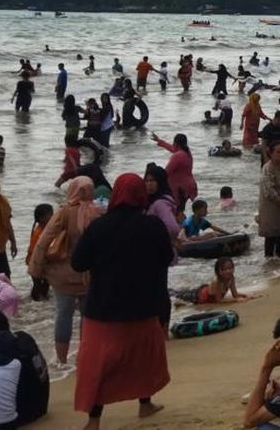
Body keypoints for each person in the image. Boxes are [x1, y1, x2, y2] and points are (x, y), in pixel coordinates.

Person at [71, 173, 174, 430]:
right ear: (141, 195)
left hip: (103, 309)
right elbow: (166, 259)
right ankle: (145, 404)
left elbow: (78, 262)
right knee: (144, 359)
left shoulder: (99, 227)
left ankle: (94, 421)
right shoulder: (152, 226)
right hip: (144, 305)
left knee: (98, 367)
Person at [27, 177, 102, 364]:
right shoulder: (98, 212)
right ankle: (85, 357)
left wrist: (36, 271)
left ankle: (61, 361)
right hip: (89, 275)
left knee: (63, 315)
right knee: (87, 316)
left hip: (63, 274)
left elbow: (44, 241)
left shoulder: (64, 212)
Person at [258, 141, 280, 259]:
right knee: (270, 237)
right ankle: (269, 265)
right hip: (270, 205)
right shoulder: (267, 168)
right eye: (278, 152)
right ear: (271, 153)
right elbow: (269, 191)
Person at [143, 165, 183, 257]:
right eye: (147, 181)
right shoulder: (155, 201)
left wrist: (156, 239)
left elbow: (173, 228)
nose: (149, 184)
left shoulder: (160, 203)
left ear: (160, 182)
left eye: (153, 181)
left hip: (158, 253)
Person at [150, 132, 196, 207]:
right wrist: (159, 141)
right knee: (180, 210)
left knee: (175, 210)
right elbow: (172, 148)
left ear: (175, 143)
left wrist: (154, 178)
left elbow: (166, 172)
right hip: (189, 186)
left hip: (179, 188)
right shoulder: (187, 152)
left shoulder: (177, 156)